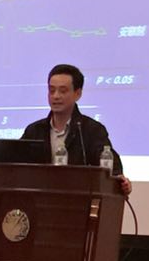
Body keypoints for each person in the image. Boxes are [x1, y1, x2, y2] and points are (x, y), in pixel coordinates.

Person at [21, 64, 133, 196]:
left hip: (78, 200)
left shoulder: (92, 130)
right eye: (51, 90)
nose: (56, 96)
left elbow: (111, 165)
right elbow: (16, 164)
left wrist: (120, 181)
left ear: (78, 93)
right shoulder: (34, 130)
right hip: (40, 201)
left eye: (63, 91)